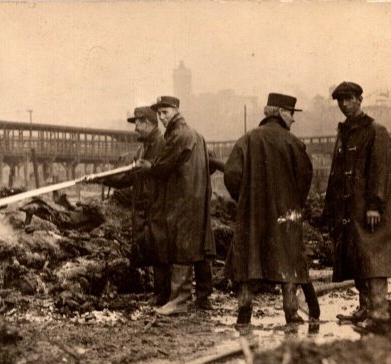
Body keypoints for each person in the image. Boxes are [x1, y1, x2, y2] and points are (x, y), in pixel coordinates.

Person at [223, 93, 314, 325]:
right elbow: (305, 179)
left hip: (251, 215)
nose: (293, 119)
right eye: (292, 114)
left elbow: (231, 174)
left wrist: (243, 200)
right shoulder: (294, 143)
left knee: (248, 261)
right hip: (286, 216)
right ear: (282, 113)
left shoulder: (247, 139)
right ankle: (291, 312)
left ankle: (244, 312)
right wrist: (294, 204)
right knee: (289, 261)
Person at [323, 81, 391, 326]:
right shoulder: (345, 132)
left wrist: (375, 204)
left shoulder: (376, 130)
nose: (344, 104)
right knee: (356, 259)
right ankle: (365, 308)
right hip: (350, 210)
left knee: (374, 260)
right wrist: (331, 207)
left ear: (360, 99)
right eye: (340, 100)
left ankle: (378, 313)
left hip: (370, 211)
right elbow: (337, 172)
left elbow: (382, 170)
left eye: (349, 98)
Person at [135, 96, 216, 315]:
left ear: (176, 110)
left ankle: (179, 300)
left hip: (182, 199)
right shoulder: (196, 135)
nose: (162, 118)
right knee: (199, 245)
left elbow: (164, 167)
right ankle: (204, 297)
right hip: (198, 198)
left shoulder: (178, 135)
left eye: (166, 112)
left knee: (183, 246)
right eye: (159, 113)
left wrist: (148, 167)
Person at [87, 106, 169, 305]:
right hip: (144, 207)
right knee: (150, 249)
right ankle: (159, 293)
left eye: (138, 123)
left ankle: (164, 295)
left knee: (160, 251)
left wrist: (102, 179)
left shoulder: (160, 144)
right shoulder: (144, 147)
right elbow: (128, 178)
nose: (135, 129)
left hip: (157, 207)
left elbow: (144, 174)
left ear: (149, 123)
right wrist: (100, 179)